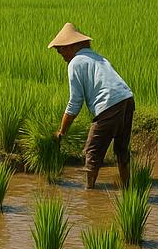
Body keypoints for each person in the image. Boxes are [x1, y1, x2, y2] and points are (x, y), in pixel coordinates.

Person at [49, 23, 135, 189]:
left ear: (72, 45)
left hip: (108, 104)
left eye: (61, 49)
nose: (60, 54)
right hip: (127, 99)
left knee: (92, 152)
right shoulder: (96, 57)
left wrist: (62, 131)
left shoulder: (75, 63)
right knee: (121, 150)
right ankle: (127, 188)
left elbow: (75, 102)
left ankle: (90, 192)